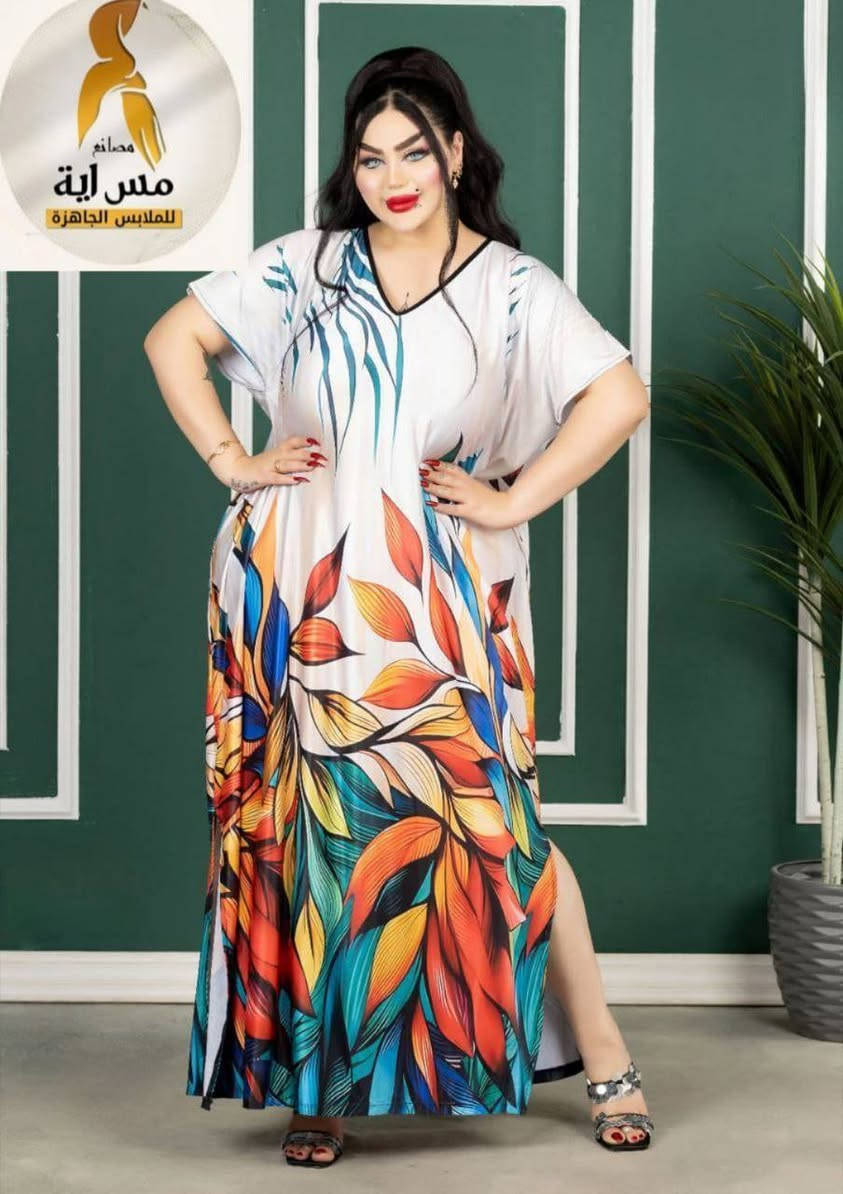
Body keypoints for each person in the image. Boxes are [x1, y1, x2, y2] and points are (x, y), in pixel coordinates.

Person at [144, 45, 653, 1169]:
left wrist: (514, 496)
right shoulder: (308, 267)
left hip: (436, 604)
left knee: (494, 825)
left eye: (413, 152)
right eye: (370, 158)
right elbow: (171, 339)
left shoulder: (513, 288)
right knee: (308, 827)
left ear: (457, 153)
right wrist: (233, 457)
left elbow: (619, 396)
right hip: (298, 591)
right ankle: (319, 1084)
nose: (392, 177)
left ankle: (608, 1055)